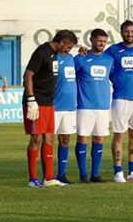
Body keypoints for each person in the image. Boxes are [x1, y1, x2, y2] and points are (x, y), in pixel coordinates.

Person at [22, 30, 75, 188]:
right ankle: (33, 178)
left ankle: (49, 177)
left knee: (49, 137)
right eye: (68, 47)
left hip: (49, 103)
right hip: (36, 102)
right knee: (36, 138)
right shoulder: (42, 52)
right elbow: (28, 75)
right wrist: (31, 99)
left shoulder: (55, 54)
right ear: (62, 42)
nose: (68, 50)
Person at [105, 20, 133, 183]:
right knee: (119, 135)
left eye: (132, 31)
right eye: (126, 31)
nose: (129, 34)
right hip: (120, 98)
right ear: (121, 32)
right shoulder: (113, 50)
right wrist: (117, 80)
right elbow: (106, 68)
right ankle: (118, 172)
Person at [74, 30, 111, 184]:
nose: (101, 43)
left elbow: (117, 76)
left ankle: (95, 174)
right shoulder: (81, 59)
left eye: (104, 41)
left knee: (99, 139)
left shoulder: (109, 59)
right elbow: (69, 76)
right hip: (84, 105)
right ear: (91, 40)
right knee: (83, 138)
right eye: (99, 40)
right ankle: (83, 174)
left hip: (103, 106)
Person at [52, 45, 76, 183]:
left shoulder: (73, 58)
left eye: (71, 44)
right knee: (49, 140)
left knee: (65, 140)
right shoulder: (53, 58)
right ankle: (48, 174)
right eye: (66, 43)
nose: (68, 47)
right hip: (54, 107)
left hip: (70, 107)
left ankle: (61, 174)